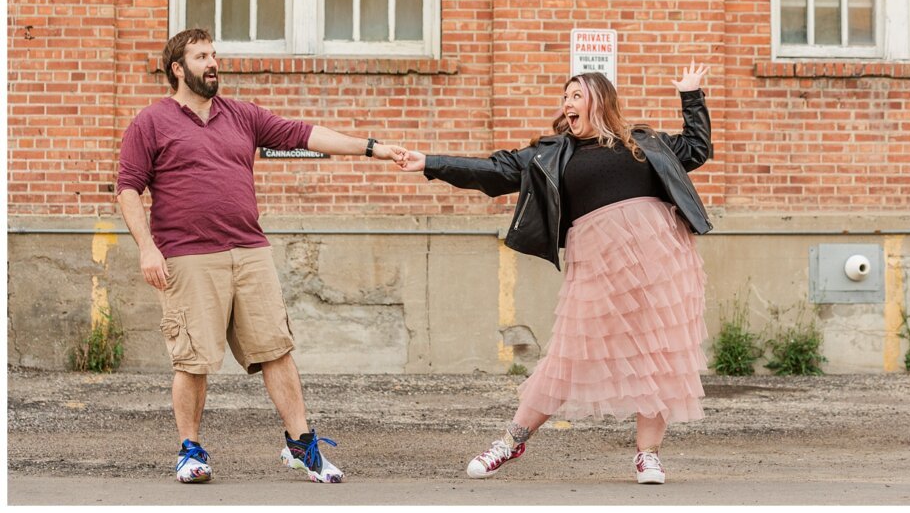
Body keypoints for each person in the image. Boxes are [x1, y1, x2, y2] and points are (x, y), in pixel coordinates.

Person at [397, 65, 713, 485]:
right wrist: (430, 163)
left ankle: (648, 455)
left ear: (601, 100)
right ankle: (511, 440)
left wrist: (691, 96)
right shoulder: (551, 154)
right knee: (567, 355)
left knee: (657, 356)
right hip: (597, 264)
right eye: (565, 97)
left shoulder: (644, 142)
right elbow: (495, 170)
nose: (567, 103)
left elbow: (696, 149)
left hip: (658, 259)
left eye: (576, 96)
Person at [116, 28, 405, 484]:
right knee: (192, 360)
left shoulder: (241, 115)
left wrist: (373, 148)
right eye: (201, 56)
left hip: (250, 252)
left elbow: (305, 134)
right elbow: (128, 188)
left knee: (276, 350)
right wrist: (147, 247)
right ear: (178, 68)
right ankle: (190, 452)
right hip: (188, 258)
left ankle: (301, 445)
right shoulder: (150, 122)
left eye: (214, 54)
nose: (213, 63)